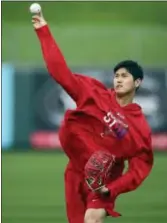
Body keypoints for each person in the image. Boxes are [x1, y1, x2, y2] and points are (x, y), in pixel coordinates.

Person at [31, 10, 154, 223]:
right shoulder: (94, 95)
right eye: (116, 75)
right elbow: (60, 72)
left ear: (137, 82)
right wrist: (43, 31)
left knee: (92, 219)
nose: (119, 79)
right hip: (76, 172)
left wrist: (112, 189)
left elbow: (139, 169)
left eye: (125, 76)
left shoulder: (139, 126)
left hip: (105, 180)